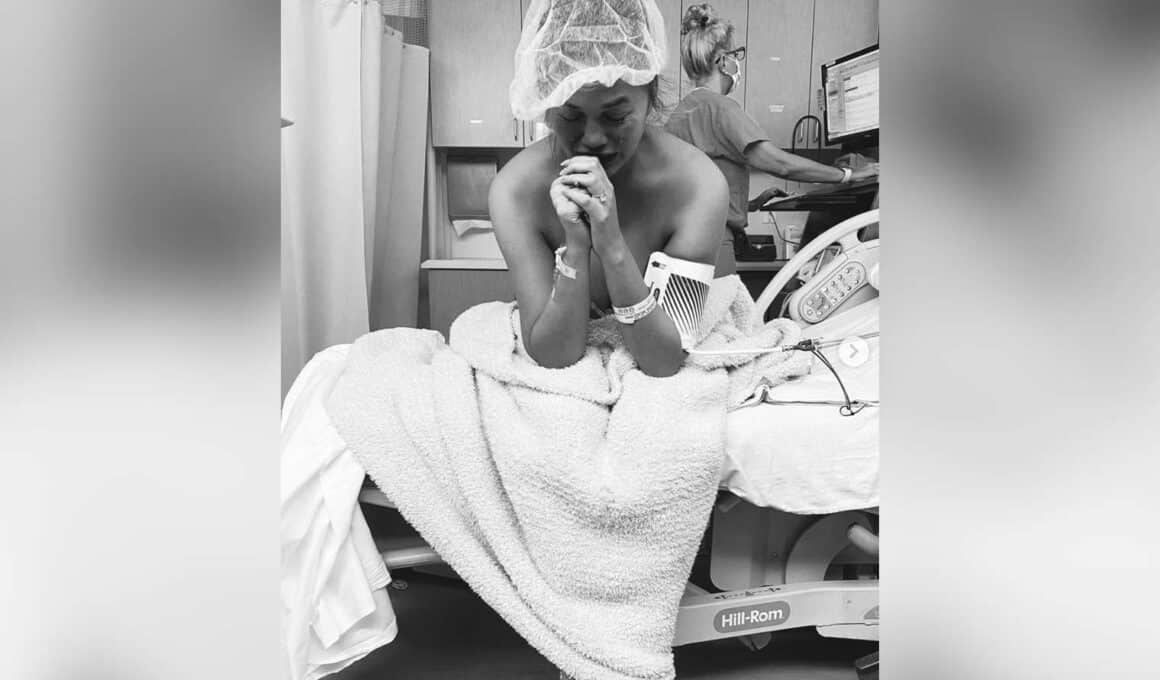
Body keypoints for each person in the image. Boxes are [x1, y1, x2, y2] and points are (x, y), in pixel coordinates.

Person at [490, 0, 732, 379]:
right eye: (569, 115)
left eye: (615, 116)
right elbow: (553, 354)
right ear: (546, 105)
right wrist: (576, 249)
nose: (592, 138)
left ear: (651, 96)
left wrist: (612, 246)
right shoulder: (515, 191)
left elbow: (664, 359)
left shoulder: (698, 187)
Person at [664, 3, 879, 255]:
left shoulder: (682, 112)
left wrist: (752, 203)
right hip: (714, 244)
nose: (737, 63)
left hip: (684, 243)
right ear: (722, 61)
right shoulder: (720, 108)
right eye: (735, 55)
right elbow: (781, 165)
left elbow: (698, 192)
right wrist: (848, 174)